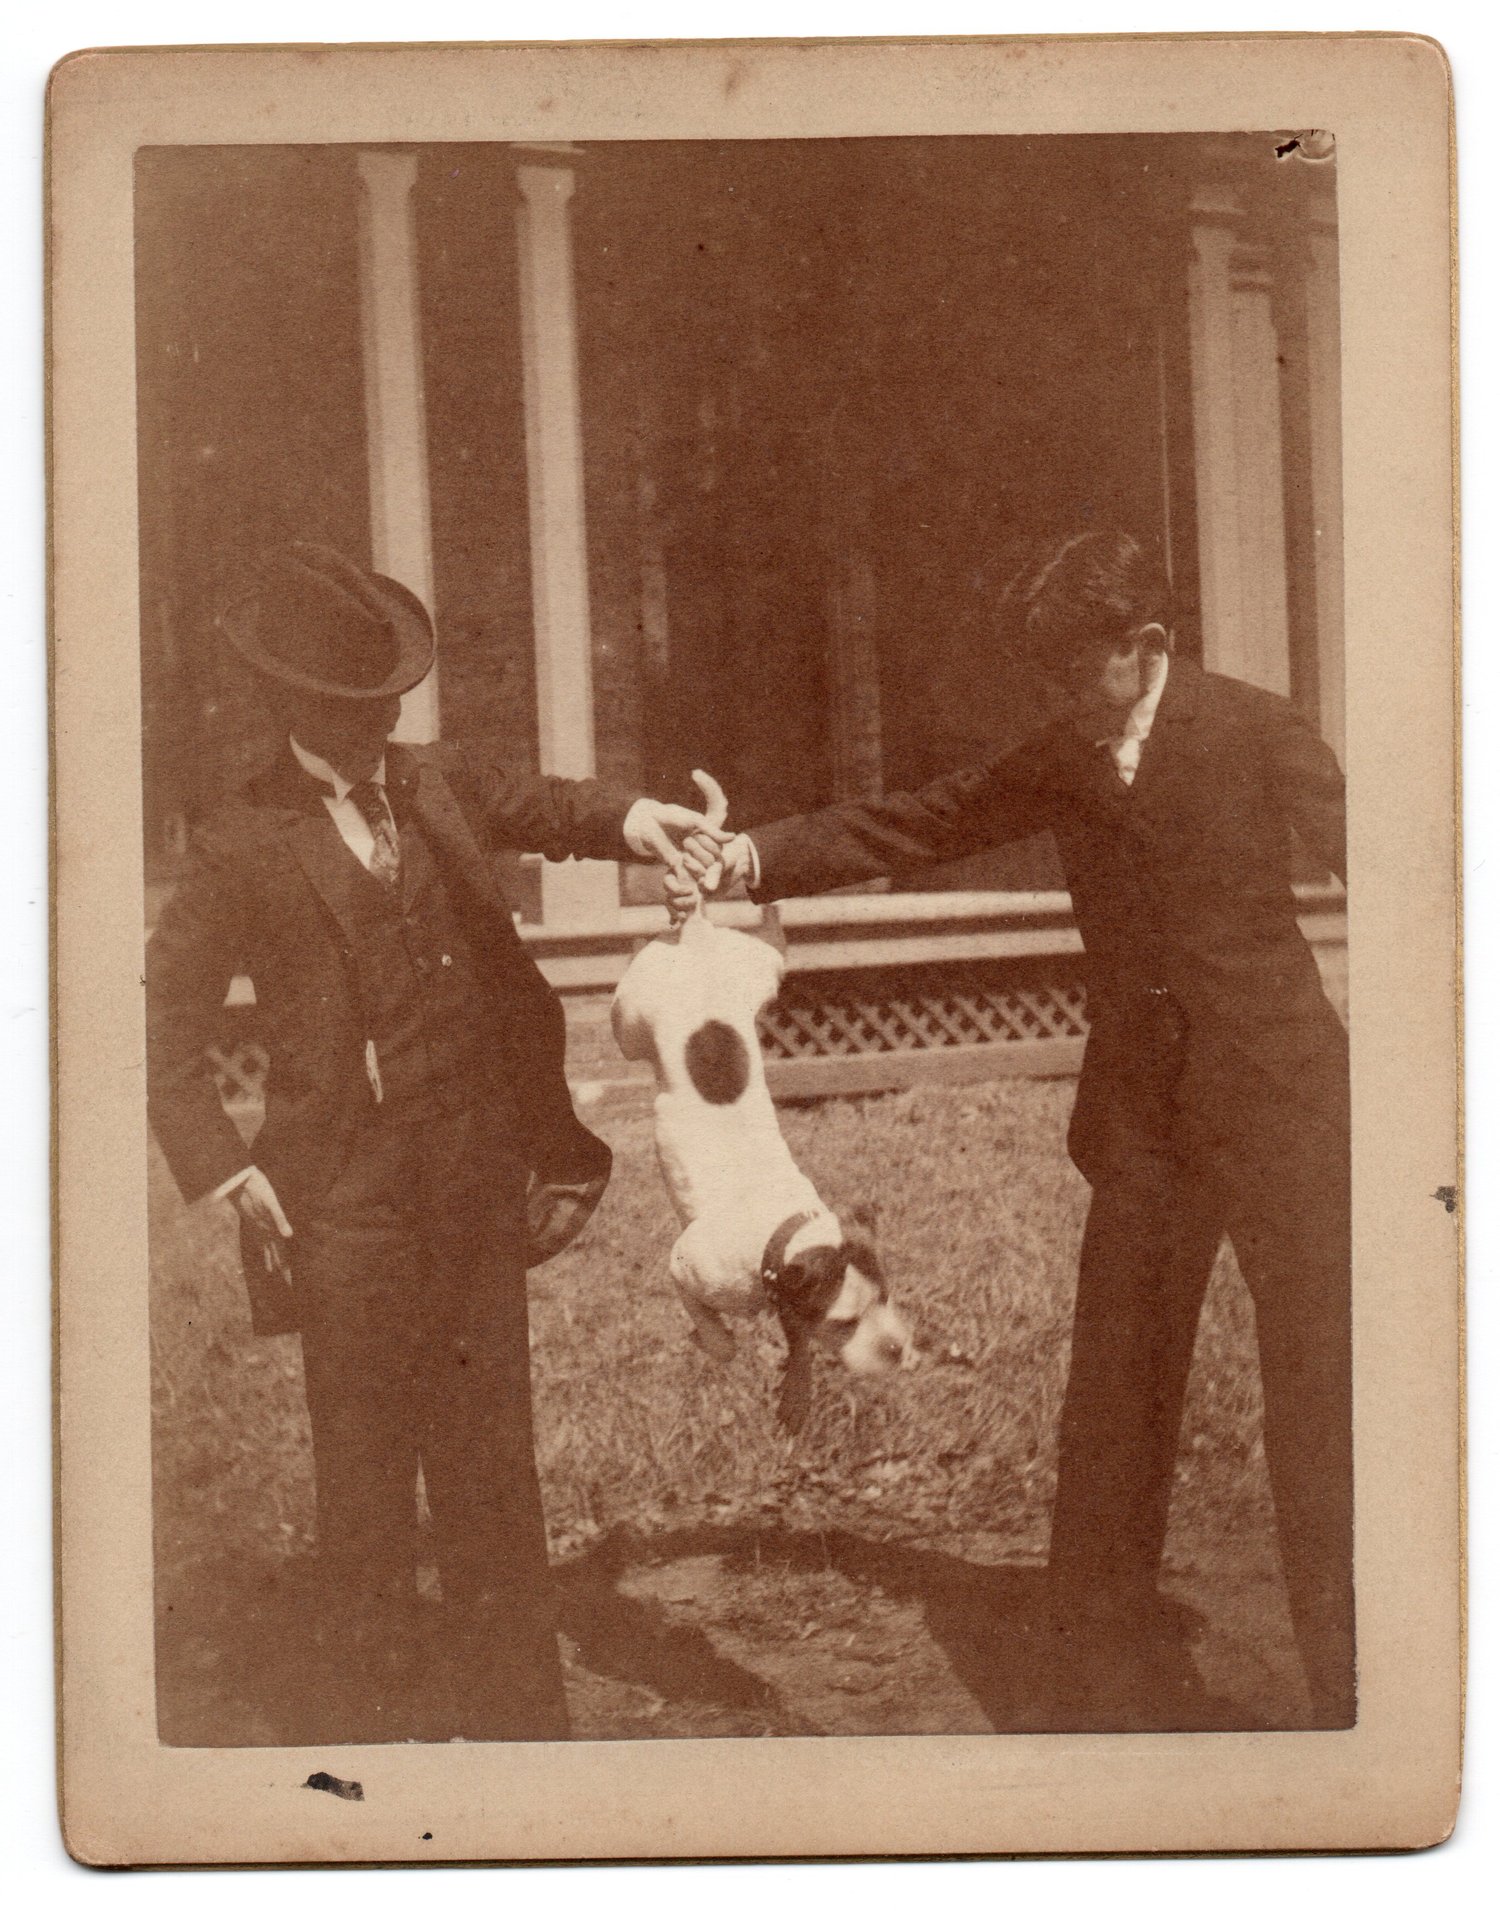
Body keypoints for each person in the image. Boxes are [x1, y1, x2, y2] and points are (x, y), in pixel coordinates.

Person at [674, 528, 1353, 1730]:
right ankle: (1098, 1683)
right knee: (1116, 1396)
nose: (1056, 701)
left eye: (1072, 671)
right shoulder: (1063, 755)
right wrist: (743, 859)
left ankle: (1358, 1686)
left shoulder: (1259, 730)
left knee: (1323, 1399)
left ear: (1142, 649)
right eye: (1041, 679)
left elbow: (1415, 877)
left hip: (1286, 1111)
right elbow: (918, 822)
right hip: (1143, 1126)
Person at [146, 542, 723, 1743]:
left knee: (490, 1465)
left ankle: (520, 1734)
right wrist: (222, 1160)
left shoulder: (434, 785)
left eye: (386, 706)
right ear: (293, 707)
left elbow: (547, 807)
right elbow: (166, 1010)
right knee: (361, 1481)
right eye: (349, 712)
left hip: (469, 1177)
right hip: (341, 1202)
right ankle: (358, 1751)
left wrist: (637, 816)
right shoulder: (241, 835)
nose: (377, 732)